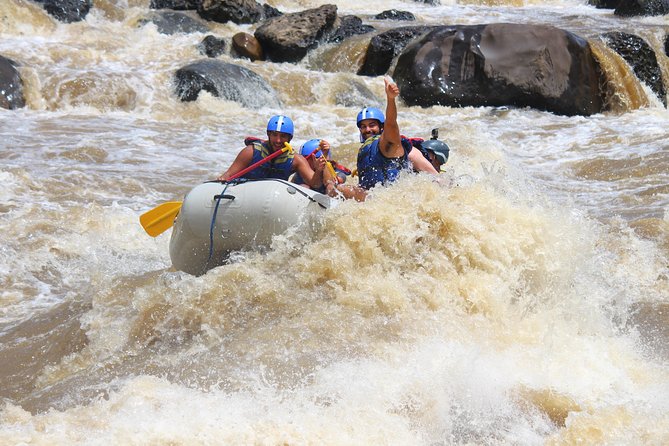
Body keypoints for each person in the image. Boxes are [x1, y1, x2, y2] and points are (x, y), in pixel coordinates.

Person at [350, 78, 438, 192]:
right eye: (363, 126)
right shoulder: (366, 149)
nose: (367, 129)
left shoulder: (395, 145)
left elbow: (391, 123)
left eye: (372, 125)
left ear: (381, 127)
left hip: (393, 196)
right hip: (373, 197)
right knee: (341, 189)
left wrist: (390, 99)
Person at [217, 115, 325, 188]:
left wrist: (319, 170)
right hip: (245, 195)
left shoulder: (295, 160)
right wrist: (221, 181)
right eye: (274, 135)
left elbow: (315, 184)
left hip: (272, 201)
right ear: (268, 135)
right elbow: (228, 175)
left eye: (283, 136)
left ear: (289, 139)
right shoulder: (251, 152)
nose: (278, 140)